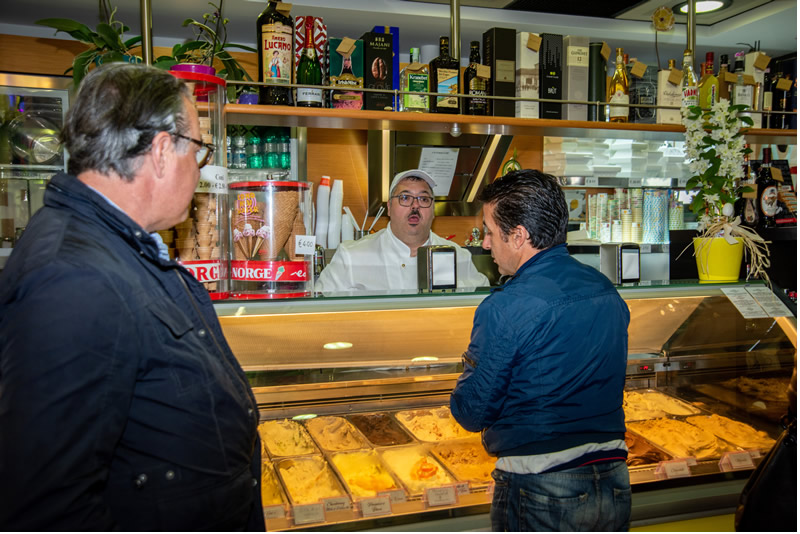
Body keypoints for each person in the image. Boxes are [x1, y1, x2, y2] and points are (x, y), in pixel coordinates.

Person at [0, 63, 264, 531]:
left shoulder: (113, 244)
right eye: (198, 151)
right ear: (161, 152)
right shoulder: (73, 279)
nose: (200, 169)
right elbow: (47, 505)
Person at [450, 169, 631, 532]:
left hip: (542, 485)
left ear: (519, 236)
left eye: (489, 231)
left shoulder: (507, 306)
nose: (485, 243)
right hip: (614, 479)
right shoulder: (605, 289)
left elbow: (471, 411)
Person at [315, 169, 489, 292]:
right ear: (389, 207)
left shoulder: (458, 256)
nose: (415, 206)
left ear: (433, 210)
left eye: (423, 199)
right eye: (405, 198)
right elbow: (319, 310)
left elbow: (481, 304)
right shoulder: (351, 257)